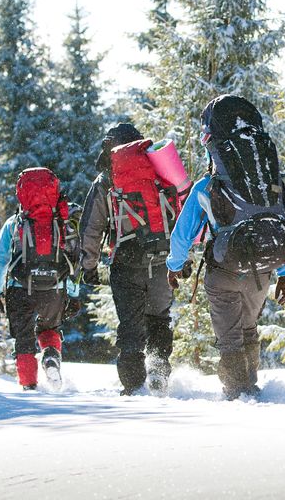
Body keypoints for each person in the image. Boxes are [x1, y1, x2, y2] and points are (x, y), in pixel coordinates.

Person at [166, 94, 285, 400]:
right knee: (248, 329)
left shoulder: (207, 186)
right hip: (261, 270)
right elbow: (279, 222)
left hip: (224, 270)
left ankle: (238, 394)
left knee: (229, 339)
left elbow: (182, 235)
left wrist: (174, 267)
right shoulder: (271, 182)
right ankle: (251, 387)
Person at [78, 123, 177, 396]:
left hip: (126, 260)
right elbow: (180, 206)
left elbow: (91, 227)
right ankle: (158, 369)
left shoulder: (106, 180)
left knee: (131, 326)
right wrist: (182, 258)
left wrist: (88, 265)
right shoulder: (160, 168)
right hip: (163, 259)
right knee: (159, 317)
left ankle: (133, 386)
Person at [0, 167, 80, 391]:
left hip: (19, 288)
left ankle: (29, 387)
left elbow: (0, 261)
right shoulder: (62, 223)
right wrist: (74, 294)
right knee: (50, 329)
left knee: (24, 339)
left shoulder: (14, 223)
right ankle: (50, 357)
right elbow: (74, 260)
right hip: (54, 288)